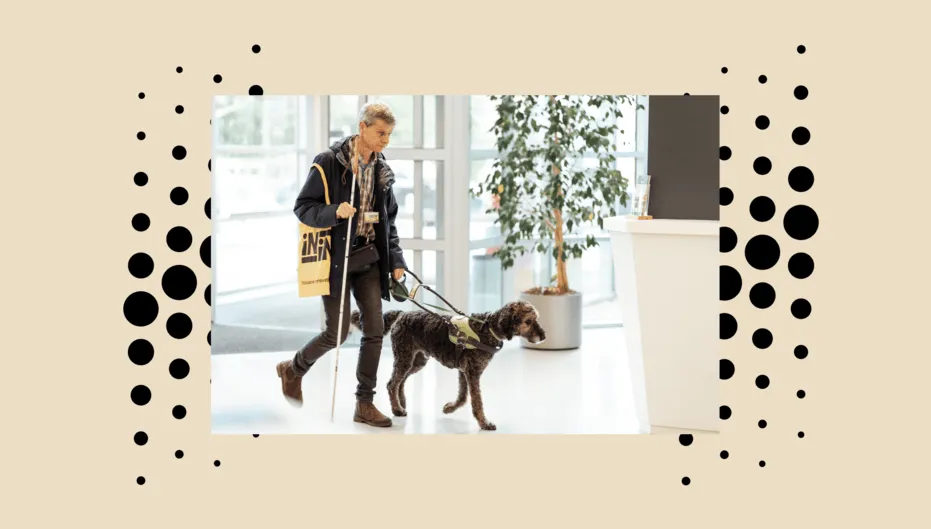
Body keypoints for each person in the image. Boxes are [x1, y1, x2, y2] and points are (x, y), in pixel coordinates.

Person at [276, 102, 407, 427]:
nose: (385, 140)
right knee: (335, 333)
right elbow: (303, 207)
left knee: (374, 330)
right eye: (381, 133)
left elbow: (388, 221)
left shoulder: (381, 169)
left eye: (389, 134)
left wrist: (396, 259)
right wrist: (334, 211)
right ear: (362, 127)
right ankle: (293, 368)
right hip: (337, 261)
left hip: (369, 259)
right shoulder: (328, 162)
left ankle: (364, 403)